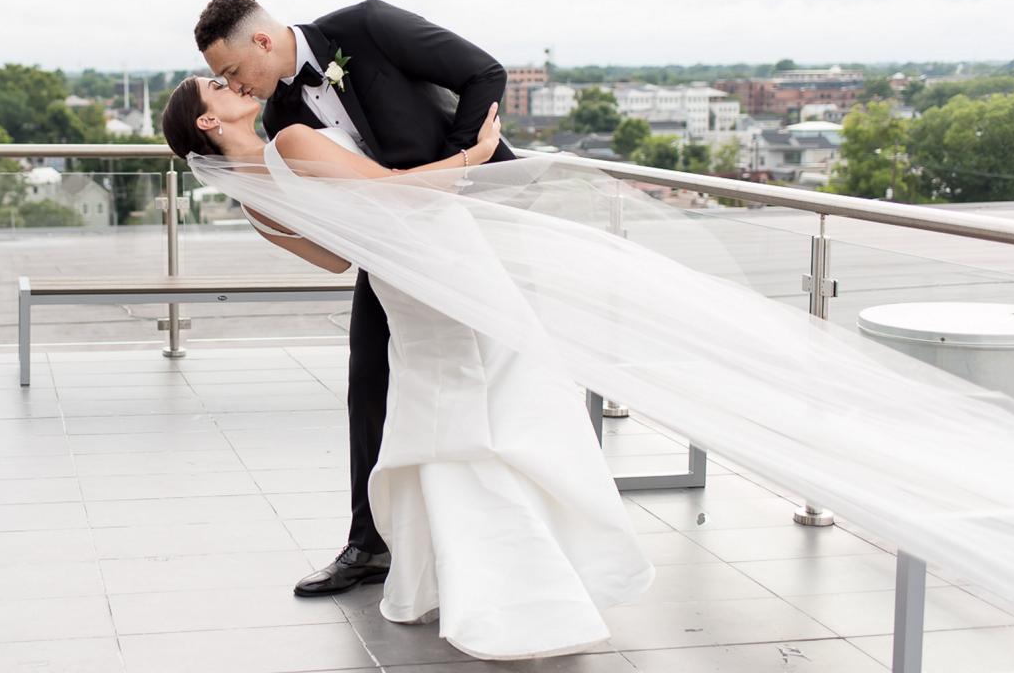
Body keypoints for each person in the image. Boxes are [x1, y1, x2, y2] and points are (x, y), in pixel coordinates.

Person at [160, 77, 655, 660]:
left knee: (452, 418)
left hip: (402, 286)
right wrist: (473, 155)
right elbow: (396, 189)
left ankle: (466, 578)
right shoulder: (291, 139)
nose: (233, 83)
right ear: (208, 123)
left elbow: (336, 258)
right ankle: (531, 579)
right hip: (442, 261)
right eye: (216, 86)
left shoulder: (252, 203)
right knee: (509, 401)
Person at [191, 0, 517, 598]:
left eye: (233, 72)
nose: (236, 84)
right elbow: (341, 221)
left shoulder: (366, 26)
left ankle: (502, 524)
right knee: (368, 378)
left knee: (498, 375)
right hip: (391, 244)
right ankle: (370, 545)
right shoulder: (278, 117)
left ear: (261, 41)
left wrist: (461, 167)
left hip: (470, 214)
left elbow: (483, 73)